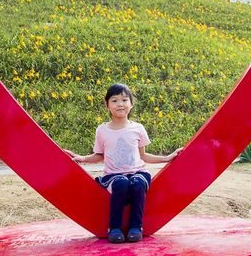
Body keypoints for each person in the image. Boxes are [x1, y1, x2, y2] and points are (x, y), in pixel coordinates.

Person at [63, 84, 181, 244]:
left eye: (124, 100)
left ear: (131, 104)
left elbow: (144, 156)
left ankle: (135, 227)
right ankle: (114, 228)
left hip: (138, 173)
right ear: (107, 105)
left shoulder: (137, 128)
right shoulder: (102, 130)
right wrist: (82, 158)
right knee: (121, 182)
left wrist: (167, 158)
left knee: (137, 183)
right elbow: (99, 156)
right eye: (114, 100)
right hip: (113, 176)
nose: (120, 104)